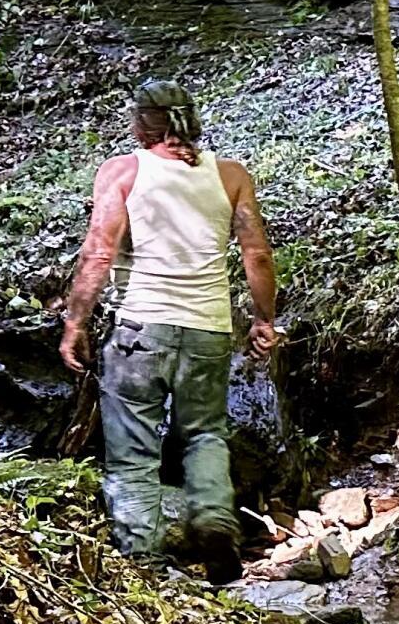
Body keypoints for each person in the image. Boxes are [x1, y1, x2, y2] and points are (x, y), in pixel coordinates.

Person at [58, 79, 279, 572]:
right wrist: (264, 319)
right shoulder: (230, 176)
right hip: (209, 329)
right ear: (192, 120)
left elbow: (98, 252)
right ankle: (215, 521)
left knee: (134, 450)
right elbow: (257, 254)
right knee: (203, 434)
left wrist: (75, 322)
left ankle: (142, 558)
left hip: (140, 329)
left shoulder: (123, 172)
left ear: (141, 124)